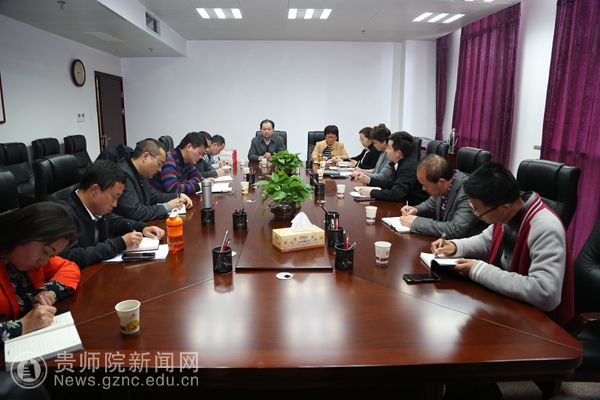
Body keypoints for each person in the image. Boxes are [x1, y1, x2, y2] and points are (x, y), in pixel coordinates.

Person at [432, 162, 574, 325]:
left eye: (477, 209)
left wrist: (478, 270)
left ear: (504, 208)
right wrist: (456, 246)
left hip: (539, 324)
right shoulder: (508, 212)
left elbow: (545, 293)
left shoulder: (545, 227)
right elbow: (485, 240)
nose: (476, 214)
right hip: (508, 304)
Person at [59, 160, 165, 268]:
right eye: (114, 197)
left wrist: (142, 228)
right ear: (94, 190)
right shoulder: (62, 215)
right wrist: (120, 244)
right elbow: (71, 257)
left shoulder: (96, 208)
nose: (115, 204)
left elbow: (113, 221)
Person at [0, 202, 80, 340]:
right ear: (23, 234)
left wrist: (49, 291)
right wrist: (23, 326)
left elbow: (69, 268)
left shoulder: (32, 260)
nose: (44, 261)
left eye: (51, 255)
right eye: (45, 251)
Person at [399, 154, 485, 239]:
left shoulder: (467, 192)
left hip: (464, 244)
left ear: (441, 182)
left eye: (426, 185)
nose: (423, 189)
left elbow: (456, 229)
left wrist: (416, 222)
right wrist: (416, 209)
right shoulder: (444, 183)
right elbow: (430, 204)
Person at [114, 138, 193, 222]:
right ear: (145, 157)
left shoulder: (141, 172)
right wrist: (167, 207)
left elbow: (153, 197)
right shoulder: (123, 174)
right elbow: (136, 212)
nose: (160, 170)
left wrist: (178, 196)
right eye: (159, 164)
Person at [357, 131, 427, 204]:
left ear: (398, 153)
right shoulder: (400, 162)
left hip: (411, 207)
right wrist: (369, 180)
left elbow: (396, 194)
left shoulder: (408, 168)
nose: (386, 151)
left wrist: (371, 192)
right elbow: (391, 184)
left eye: (389, 148)